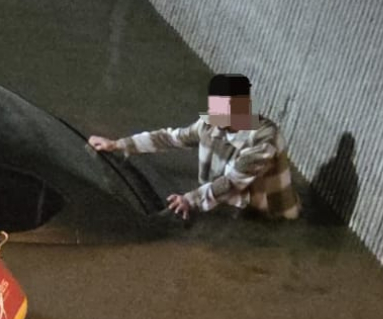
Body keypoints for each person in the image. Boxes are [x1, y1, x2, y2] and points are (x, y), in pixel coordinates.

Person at [89, 73, 300, 220]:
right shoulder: (212, 122)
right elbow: (171, 138)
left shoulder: (265, 138)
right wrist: (117, 144)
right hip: (226, 205)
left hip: (268, 216)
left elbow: (232, 182)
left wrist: (190, 200)